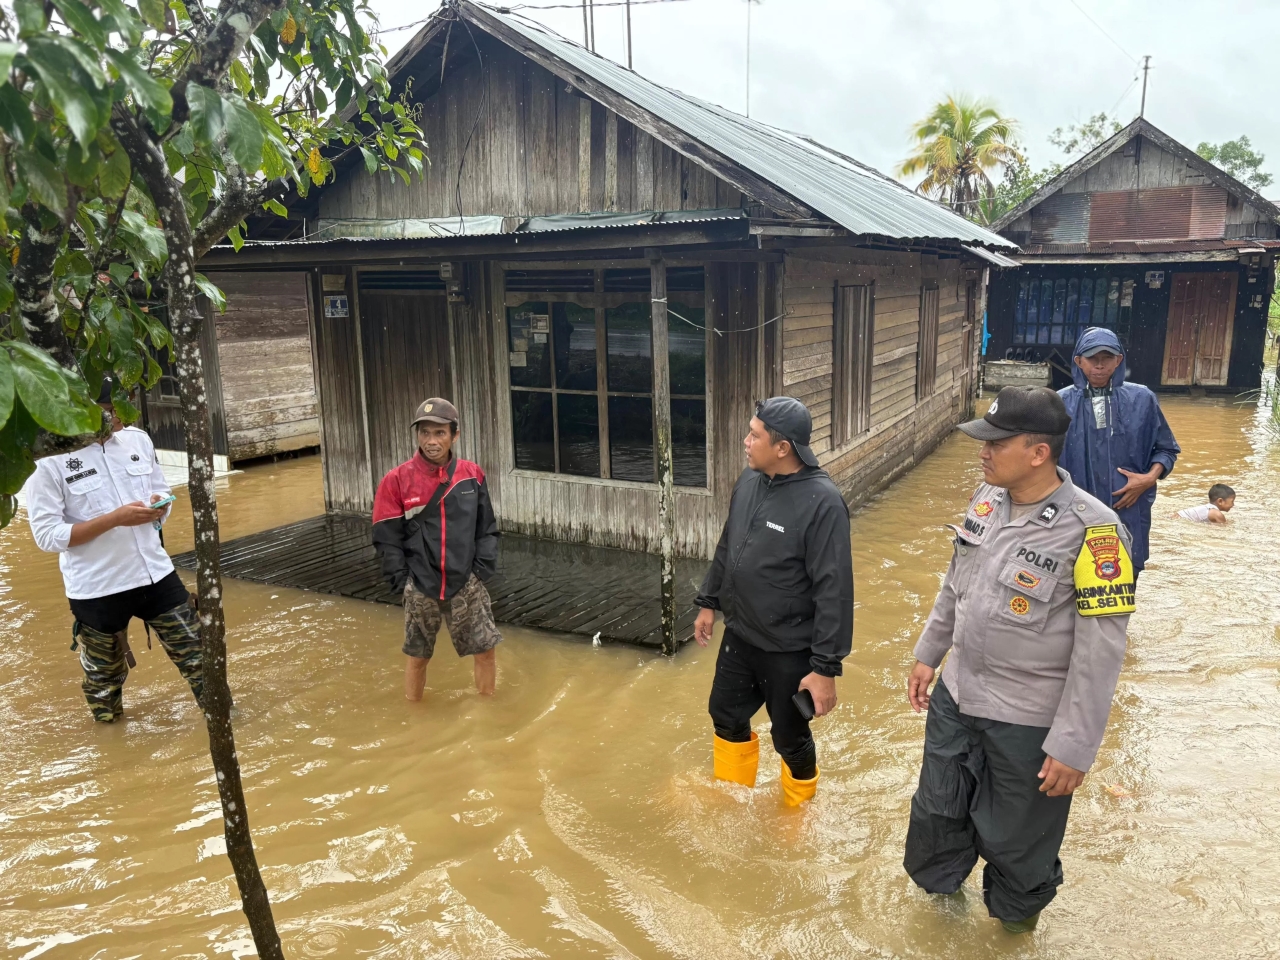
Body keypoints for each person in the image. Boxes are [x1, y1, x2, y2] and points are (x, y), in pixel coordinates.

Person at [903, 385, 1133, 934]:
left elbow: (1100, 653)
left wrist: (1073, 747)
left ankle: (1009, 936)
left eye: (996, 443)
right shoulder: (985, 501)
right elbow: (955, 585)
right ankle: (939, 926)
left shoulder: (1097, 534)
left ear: (1039, 453)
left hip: (1028, 720)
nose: (982, 451)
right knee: (937, 815)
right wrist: (928, 655)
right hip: (958, 698)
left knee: (1017, 844)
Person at [694, 397, 853, 806]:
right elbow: (729, 544)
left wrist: (825, 668)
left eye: (755, 435)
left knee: (790, 736)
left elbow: (834, 590)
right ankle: (731, 802)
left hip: (788, 647)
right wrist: (708, 601)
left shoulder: (823, 502)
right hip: (741, 634)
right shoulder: (749, 480)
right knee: (724, 714)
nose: (745, 441)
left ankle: (798, 817)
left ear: (783, 448)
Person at [25, 378, 203, 722]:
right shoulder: (50, 459)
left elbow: (159, 489)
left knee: (199, 656)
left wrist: (159, 506)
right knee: (104, 683)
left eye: (124, 405)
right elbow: (47, 536)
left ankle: (227, 721)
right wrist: (116, 519)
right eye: (109, 410)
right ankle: (111, 743)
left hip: (155, 573)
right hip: (97, 588)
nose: (120, 416)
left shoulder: (137, 440)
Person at [372, 398, 501, 700]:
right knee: (418, 659)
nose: (431, 441)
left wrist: (480, 572)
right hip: (420, 586)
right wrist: (403, 581)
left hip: (467, 583)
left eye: (440, 433)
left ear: (454, 435)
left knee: (485, 652)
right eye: (425, 432)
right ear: (417, 435)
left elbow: (487, 529)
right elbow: (385, 538)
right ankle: (415, 716)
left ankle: (488, 710)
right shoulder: (396, 480)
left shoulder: (472, 475)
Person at [1059, 326, 1180, 578]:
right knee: (1069, 587)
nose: (1099, 366)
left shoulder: (1142, 399)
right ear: (1079, 361)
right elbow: (1038, 458)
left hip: (1127, 510)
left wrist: (1148, 479)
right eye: (1093, 359)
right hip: (1074, 513)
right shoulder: (1059, 404)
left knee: (1120, 585)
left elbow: (1166, 449)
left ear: (1119, 360)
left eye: (1107, 358)